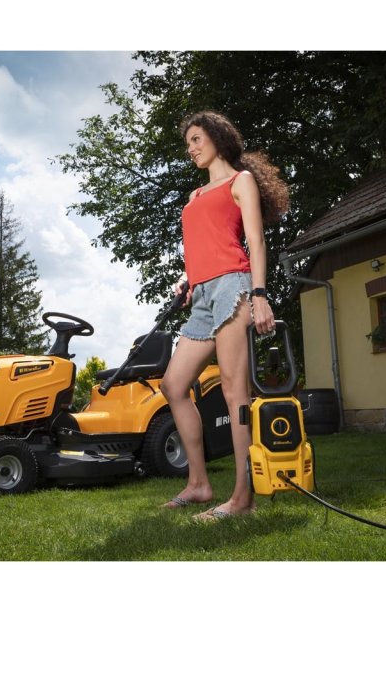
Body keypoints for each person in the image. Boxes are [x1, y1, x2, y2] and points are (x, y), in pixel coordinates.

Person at [160, 111, 290, 521]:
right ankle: (199, 484)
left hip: (234, 287)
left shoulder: (240, 181)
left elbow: (255, 239)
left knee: (235, 392)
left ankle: (242, 498)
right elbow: (204, 244)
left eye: (197, 139)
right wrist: (188, 279)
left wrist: (260, 295)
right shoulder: (195, 196)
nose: (191, 148)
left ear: (217, 138)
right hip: (202, 296)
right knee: (173, 384)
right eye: (188, 143)